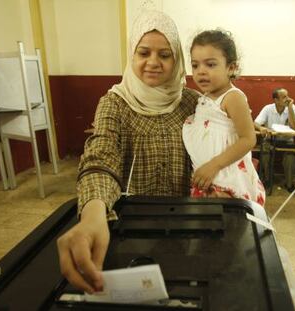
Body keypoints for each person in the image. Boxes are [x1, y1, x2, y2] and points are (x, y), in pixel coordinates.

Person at [56, 11, 200, 294]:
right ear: (131, 55)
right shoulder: (115, 103)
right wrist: (93, 214)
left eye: (165, 55)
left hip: (187, 223)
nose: (153, 63)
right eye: (143, 52)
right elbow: (101, 158)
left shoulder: (193, 103)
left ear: (177, 60)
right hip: (130, 227)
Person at [182, 30, 265, 206]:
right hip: (206, 177)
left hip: (225, 177)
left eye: (210, 65)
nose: (201, 72)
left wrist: (214, 165)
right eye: (195, 65)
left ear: (231, 67)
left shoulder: (233, 97)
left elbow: (249, 139)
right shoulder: (204, 98)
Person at [254, 88, 295, 192]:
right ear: (276, 100)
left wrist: (291, 108)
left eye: (287, 96)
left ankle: (289, 184)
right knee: (265, 152)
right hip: (270, 139)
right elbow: (255, 123)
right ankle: (267, 180)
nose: (287, 99)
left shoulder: (292, 107)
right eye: (284, 97)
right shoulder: (267, 108)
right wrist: (261, 128)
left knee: (290, 157)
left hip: (287, 140)